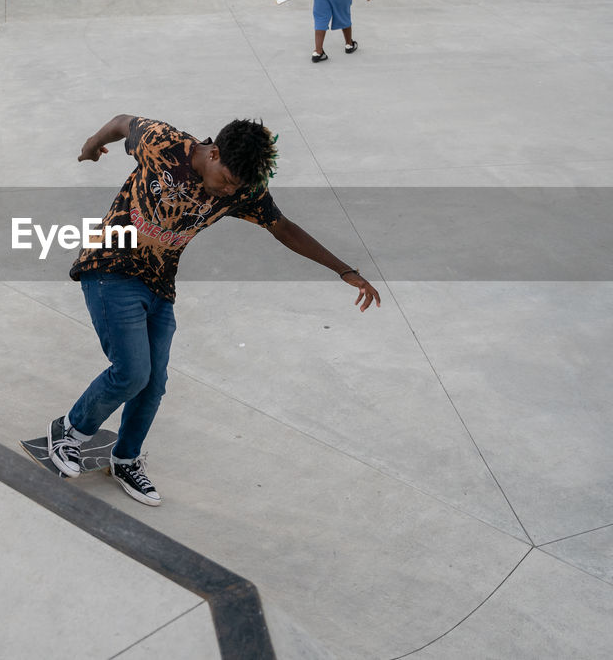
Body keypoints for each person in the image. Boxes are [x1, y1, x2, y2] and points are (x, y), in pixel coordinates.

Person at [46, 115, 382, 505]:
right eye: (224, 179)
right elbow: (123, 123)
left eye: (235, 187)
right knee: (131, 373)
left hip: (159, 284)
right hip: (110, 267)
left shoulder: (242, 188)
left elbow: (282, 227)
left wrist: (343, 270)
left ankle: (125, 459)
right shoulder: (164, 144)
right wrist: (91, 144)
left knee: (153, 384)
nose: (226, 191)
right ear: (214, 152)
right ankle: (69, 431)